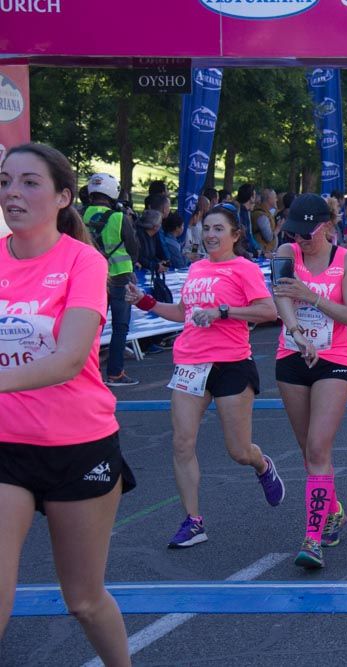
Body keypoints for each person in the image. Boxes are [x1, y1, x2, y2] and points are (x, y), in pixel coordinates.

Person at [0, 142, 136, 666]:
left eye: (30, 182)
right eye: (6, 181)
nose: (13, 192)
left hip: (78, 448)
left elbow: (66, 359)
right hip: (6, 449)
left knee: (83, 599)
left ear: (62, 196)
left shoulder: (84, 261)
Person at [125, 203, 284, 548]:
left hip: (231, 363)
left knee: (239, 450)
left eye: (218, 230)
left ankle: (261, 464)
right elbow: (183, 314)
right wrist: (145, 302)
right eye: (207, 229)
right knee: (182, 443)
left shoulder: (243, 268)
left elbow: (268, 310)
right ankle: (193, 521)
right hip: (190, 365)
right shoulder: (196, 268)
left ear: (235, 235)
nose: (210, 235)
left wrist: (222, 312)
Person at [272, 194, 347, 569]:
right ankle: (333, 510)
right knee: (307, 448)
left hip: (334, 359)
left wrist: (311, 295)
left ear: (326, 225)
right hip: (292, 355)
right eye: (296, 232)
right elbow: (281, 296)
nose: (302, 239)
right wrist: (296, 332)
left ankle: (312, 538)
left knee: (318, 448)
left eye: (308, 232)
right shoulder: (286, 252)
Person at [82, 172, 140, 387]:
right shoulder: (119, 218)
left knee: (89, 329)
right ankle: (115, 374)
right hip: (120, 278)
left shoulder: (80, 216)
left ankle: (87, 374)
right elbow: (134, 248)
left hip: (90, 278)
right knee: (120, 327)